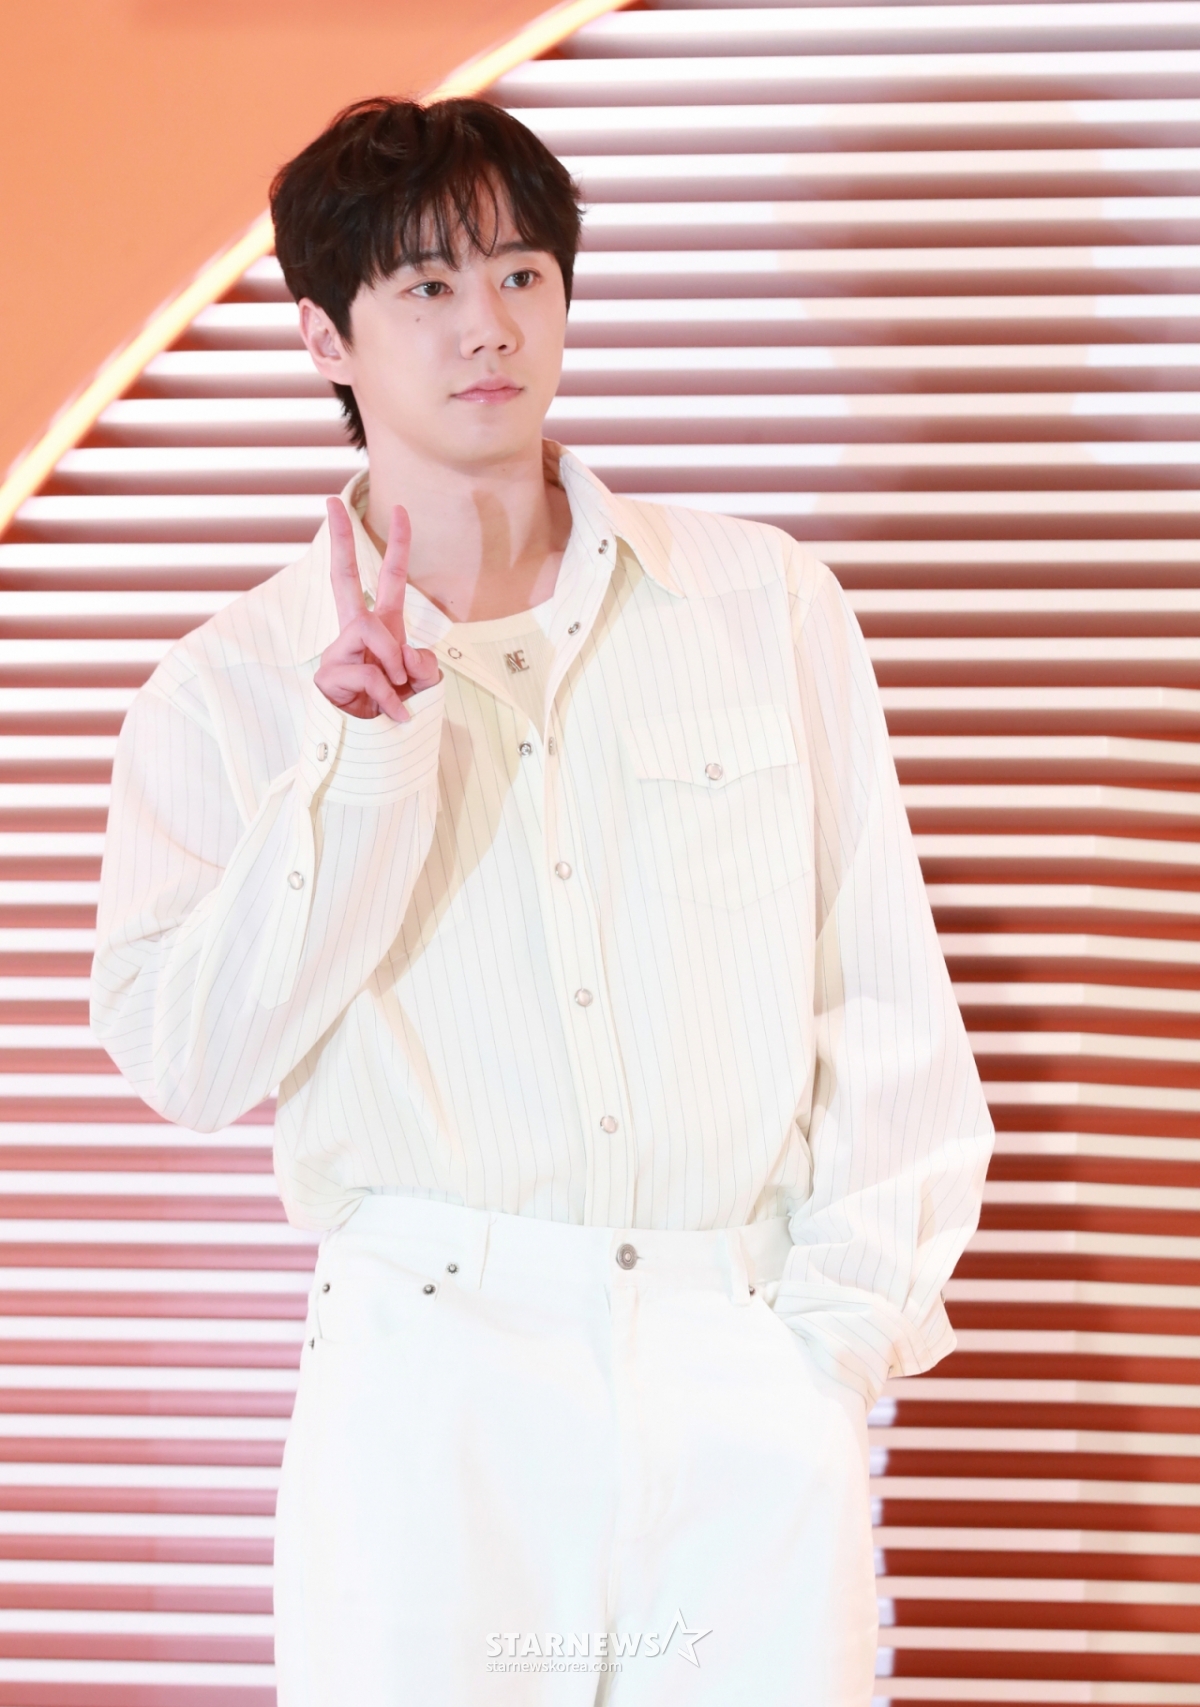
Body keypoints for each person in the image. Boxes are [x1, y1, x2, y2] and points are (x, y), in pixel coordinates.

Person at [91, 96, 994, 1706]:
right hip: (434, 1381)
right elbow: (188, 1061)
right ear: (325, 336)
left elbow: (879, 984)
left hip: (745, 1354)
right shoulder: (226, 688)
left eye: (519, 273)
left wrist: (832, 1345)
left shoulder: (762, 601)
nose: (487, 325)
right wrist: (364, 763)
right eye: (427, 287)